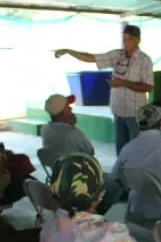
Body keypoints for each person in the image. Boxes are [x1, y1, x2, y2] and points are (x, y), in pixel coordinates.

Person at [54, 24, 154, 155]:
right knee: (121, 149)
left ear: (138, 40)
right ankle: (121, 173)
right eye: (124, 39)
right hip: (118, 111)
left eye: (129, 39)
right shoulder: (117, 55)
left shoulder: (145, 60)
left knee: (136, 150)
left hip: (135, 113)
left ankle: (135, 174)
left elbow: (148, 87)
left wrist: (122, 83)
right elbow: (91, 58)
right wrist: (69, 51)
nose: (126, 43)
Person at [111, 104, 161, 224]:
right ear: (159, 122)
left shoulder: (127, 148)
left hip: (137, 210)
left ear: (137, 124)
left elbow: (115, 177)